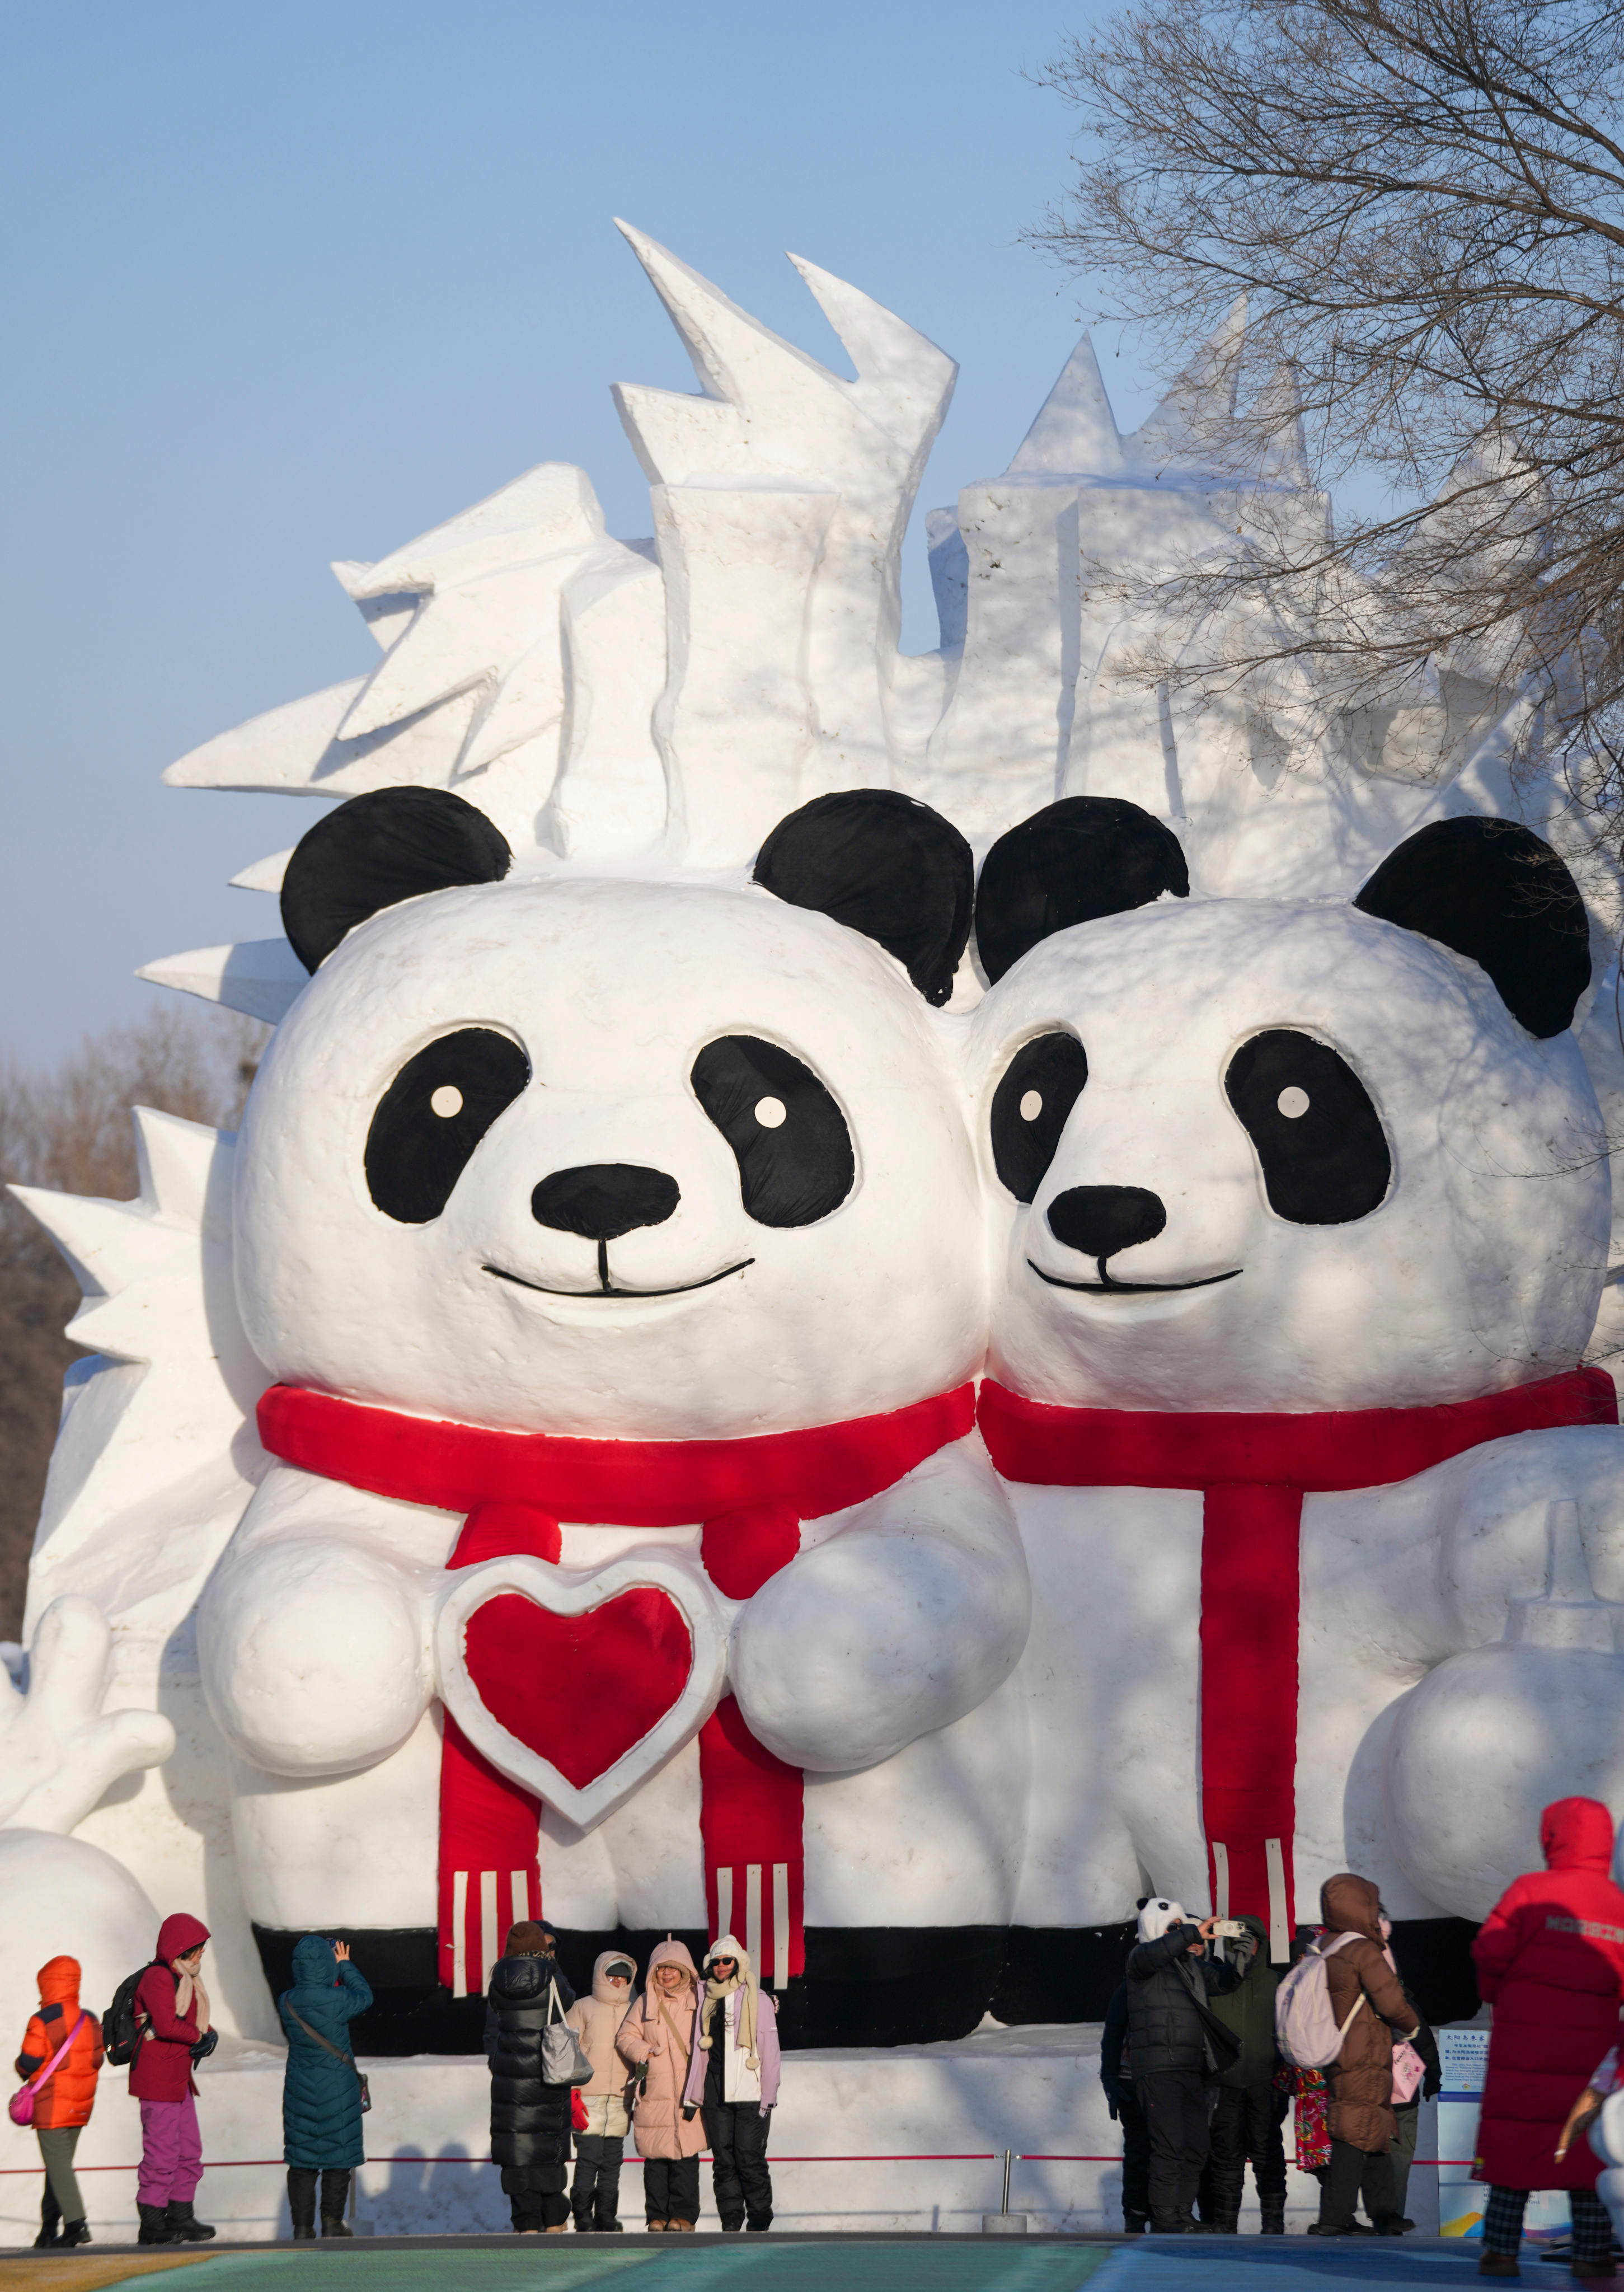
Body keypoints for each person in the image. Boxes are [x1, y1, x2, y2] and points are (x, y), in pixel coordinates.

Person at [1471, 1796, 1624, 2281]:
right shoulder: (1619, 1902)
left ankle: (1500, 2251)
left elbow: (1489, 1950)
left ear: (1552, 1835)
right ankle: (1592, 2253)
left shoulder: (1530, 1890)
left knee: (1515, 2141)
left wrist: (1499, 1995)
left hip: (1525, 2043)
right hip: (1595, 2048)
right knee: (1589, 2146)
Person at [1307, 1873, 1420, 2239]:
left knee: (1371, 2127)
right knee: (1355, 2132)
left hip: (1340, 2050)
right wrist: (1411, 2024)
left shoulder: (1327, 1945)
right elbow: (1389, 1998)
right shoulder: (1362, 1949)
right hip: (1364, 2051)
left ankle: (1385, 2213)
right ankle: (1334, 2217)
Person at [1125, 1897, 1241, 2233]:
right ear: (1155, 1929)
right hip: (1158, 2067)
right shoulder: (1140, 1961)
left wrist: (1240, 1956)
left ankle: (1181, 2213)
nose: (1183, 1935)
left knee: (1196, 2145)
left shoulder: (1190, 1967)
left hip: (1192, 2066)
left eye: (1181, 1928)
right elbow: (1158, 1952)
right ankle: (1163, 2217)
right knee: (1170, 2144)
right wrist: (1191, 1931)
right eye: (1173, 1928)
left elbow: (1224, 1981)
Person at [278, 1937, 373, 2239]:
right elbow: (365, 1996)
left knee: (302, 2160)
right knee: (338, 2156)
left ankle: (302, 2228)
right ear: (327, 1965)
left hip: (299, 2089)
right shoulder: (340, 2000)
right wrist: (345, 1965)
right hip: (338, 2090)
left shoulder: (287, 2001)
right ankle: (333, 2222)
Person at [130, 1913, 217, 2245]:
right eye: (197, 1949)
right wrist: (199, 2037)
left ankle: (181, 2215)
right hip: (158, 2078)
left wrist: (208, 2034)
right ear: (181, 1947)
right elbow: (166, 2025)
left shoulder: (185, 1977)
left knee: (189, 2150)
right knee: (162, 2152)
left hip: (178, 2078)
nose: (201, 1954)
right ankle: (153, 2221)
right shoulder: (159, 1977)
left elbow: (187, 2022)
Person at [1198, 1913, 1287, 2234]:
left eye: (1248, 1941)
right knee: (1225, 2159)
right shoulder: (1215, 1981)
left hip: (1266, 2083)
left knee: (1269, 2156)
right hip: (1225, 2085)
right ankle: (1224, 2225)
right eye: (1234, 1940)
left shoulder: (1277, 1983)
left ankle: (1273, 2225)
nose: (1241, 1946)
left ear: (1260, 1945)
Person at [684, 1935, 780, 2233]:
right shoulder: (703, 1995)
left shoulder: (757, 1997)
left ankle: (760, 2217)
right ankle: (731, 2219)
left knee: (749, 2156)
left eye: (727, 1961)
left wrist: (769, 2095)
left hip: (749, 2090)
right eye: (716, 1962)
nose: (722, 1966)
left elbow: (770, 2049)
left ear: (738, 1962)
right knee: (723, 2159)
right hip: (715, 2088)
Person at [485, 1921, 576, 2233]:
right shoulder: (550, 1976)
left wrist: (497, 2061)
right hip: (549, 2072)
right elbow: (568, 2000)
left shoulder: (498, 1978)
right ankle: (554, 2221)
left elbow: (494, 2020)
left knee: (518, 2148)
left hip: (511, 2078)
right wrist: (552, 1965)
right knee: (548, 2149)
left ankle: (526, 2224)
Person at [616, 1937, 705, 2231]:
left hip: (689, 2091)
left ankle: (683, 2217)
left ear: (685, 1970)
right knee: (655, 2159)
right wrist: (646, 2053)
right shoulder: (644, 2002)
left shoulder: (700, 1999)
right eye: (661, 1968)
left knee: (685, 2158)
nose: (666, 1974)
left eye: (673, 1968)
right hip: (655, 2090)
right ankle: (657, 2216)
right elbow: (625, 2037)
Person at [15, 1956, 104, 2249]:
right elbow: (97, 2059)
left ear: (47, 1984)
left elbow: (28, 2063)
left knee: (59, 2167)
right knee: (59, 2167)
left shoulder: (42, 2020)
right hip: (81, 2106)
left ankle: (77, 2224)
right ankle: (48, 2229)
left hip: (52, 2106)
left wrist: (20, 2067)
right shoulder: (89, 2018)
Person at [564, 1952, 637, 2232]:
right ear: (600, 1975)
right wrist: (571, 2091)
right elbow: (566, 2053)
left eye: (624, 1976)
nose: (618, 1981)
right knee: (589, 2157)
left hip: (621, 2095)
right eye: (612, 1975)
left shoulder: (636, 2008)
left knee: (612, 2160)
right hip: (587, 2095)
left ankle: (606, 2215)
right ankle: (582, 2215)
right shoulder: (582, 2007)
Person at [1378, 1905, 1440, 2233]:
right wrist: (1434, 2077)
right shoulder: (1406, 2003)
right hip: (1404, 2094)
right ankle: (1391, 2215)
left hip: (1365, 2089)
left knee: (1366, 2155)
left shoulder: (1353, 1998)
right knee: (1400, 2157)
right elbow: (1425, 2042)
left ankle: (1347, 2215)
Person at [1100, 1980, 1149, 2233]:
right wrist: (1109, 2077)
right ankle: (1136, 2216)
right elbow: (1113, 2035)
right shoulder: (1128, 1989)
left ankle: (1166, 2214)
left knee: (1169, 2153)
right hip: (1131, 2082)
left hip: (1171, 2080)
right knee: (1139, 2150)